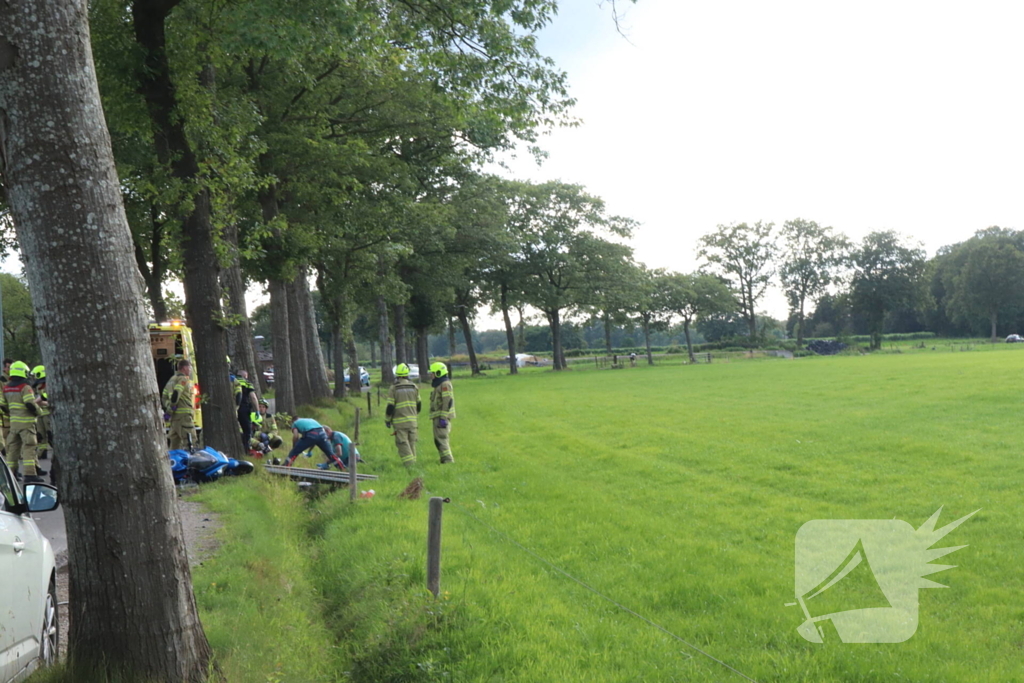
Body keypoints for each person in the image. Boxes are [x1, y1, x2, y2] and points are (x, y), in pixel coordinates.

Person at [0, 361, 41, 481]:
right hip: (27, 424)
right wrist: (39, 412)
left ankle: (10, 476)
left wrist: (11, 413)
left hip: (13, 424)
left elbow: (2, 405)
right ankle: (30, 475)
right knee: (29, 447)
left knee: (12, 450)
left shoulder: (6, 387)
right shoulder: (25, 387)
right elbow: (30, 403)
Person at [385, 363, 420, 467]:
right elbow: (419, 404)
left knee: (402, 443)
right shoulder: (414, 387)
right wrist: (414, 414)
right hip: (413, 421)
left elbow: (390, 406)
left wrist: (387, 419)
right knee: (412, 443)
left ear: (397, 375)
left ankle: (410, 465)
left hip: (400, 422)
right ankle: (413, 464)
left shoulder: (394, 388)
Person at [161, 359, 196, 451]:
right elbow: (176, 394)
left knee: (174, 445)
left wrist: (169, 409)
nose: (190, 370)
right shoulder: (183, 379)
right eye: (190, 367)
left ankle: (173, 463)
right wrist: (171, 407)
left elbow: (164, 397)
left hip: (174, 419)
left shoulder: (171, 380)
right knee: (190, 442)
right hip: (184, 417)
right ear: (185, 368)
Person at [428, 362, 456, 464]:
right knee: (438, 439)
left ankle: (448, 460)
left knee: (442, 439)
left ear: (439, 373)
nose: (431, 375)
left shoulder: (445, 384)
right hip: (438, 416)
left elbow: (447, 401)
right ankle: (444, 459)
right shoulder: (439, 385)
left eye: (433, 373)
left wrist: (443, 417)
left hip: (441, 416)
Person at [235, 369, 259, 450]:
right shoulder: (247, 383)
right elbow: (253, 397)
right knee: (247, 431)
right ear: (245, 376)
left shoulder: (231, 380)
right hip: (243, 408)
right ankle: (246, 449)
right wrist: (257, 410)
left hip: (232, 408)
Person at [31, 365, 51, 461]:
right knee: (40, 435)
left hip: (48, 414)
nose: (34, 377)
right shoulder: (39, 386)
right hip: (40, 415)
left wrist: (35, 402)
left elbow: (44, 399)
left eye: (35, 375)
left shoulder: (48, 384)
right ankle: (42, 452)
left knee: (50, 435)